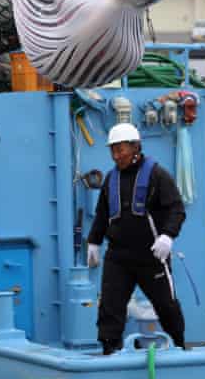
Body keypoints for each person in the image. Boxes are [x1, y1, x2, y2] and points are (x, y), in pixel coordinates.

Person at [86, 122, 187, 354]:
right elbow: (102, 215)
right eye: (113, 150)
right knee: (110, 307)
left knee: (166, 305)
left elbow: (176, 209)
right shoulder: (111, 179)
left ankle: (180, 346)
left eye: (121, 149)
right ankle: (110, 351)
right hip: (118, 256)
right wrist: (94, 242)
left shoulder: (157, 175)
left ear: (135, 148)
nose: (116, 155)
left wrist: (167, 236)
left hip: (151, 255)